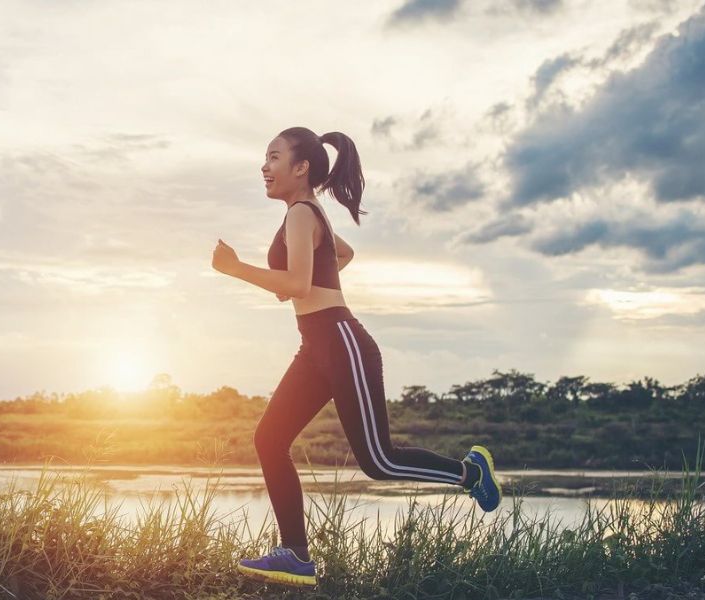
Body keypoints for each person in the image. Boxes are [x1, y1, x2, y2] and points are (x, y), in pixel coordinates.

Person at [211, 127, 501, 588]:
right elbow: (341, 254)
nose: (264, 167)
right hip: (316, 347)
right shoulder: (305, 216)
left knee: (379, 462)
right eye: (264, 159)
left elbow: (299, 285)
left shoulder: (302, 214)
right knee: (269, 439)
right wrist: (303, 284)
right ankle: (296, 555)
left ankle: (471, 472)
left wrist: (236, 269)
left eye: (273, 157)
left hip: (342, 341)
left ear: (301, 167)